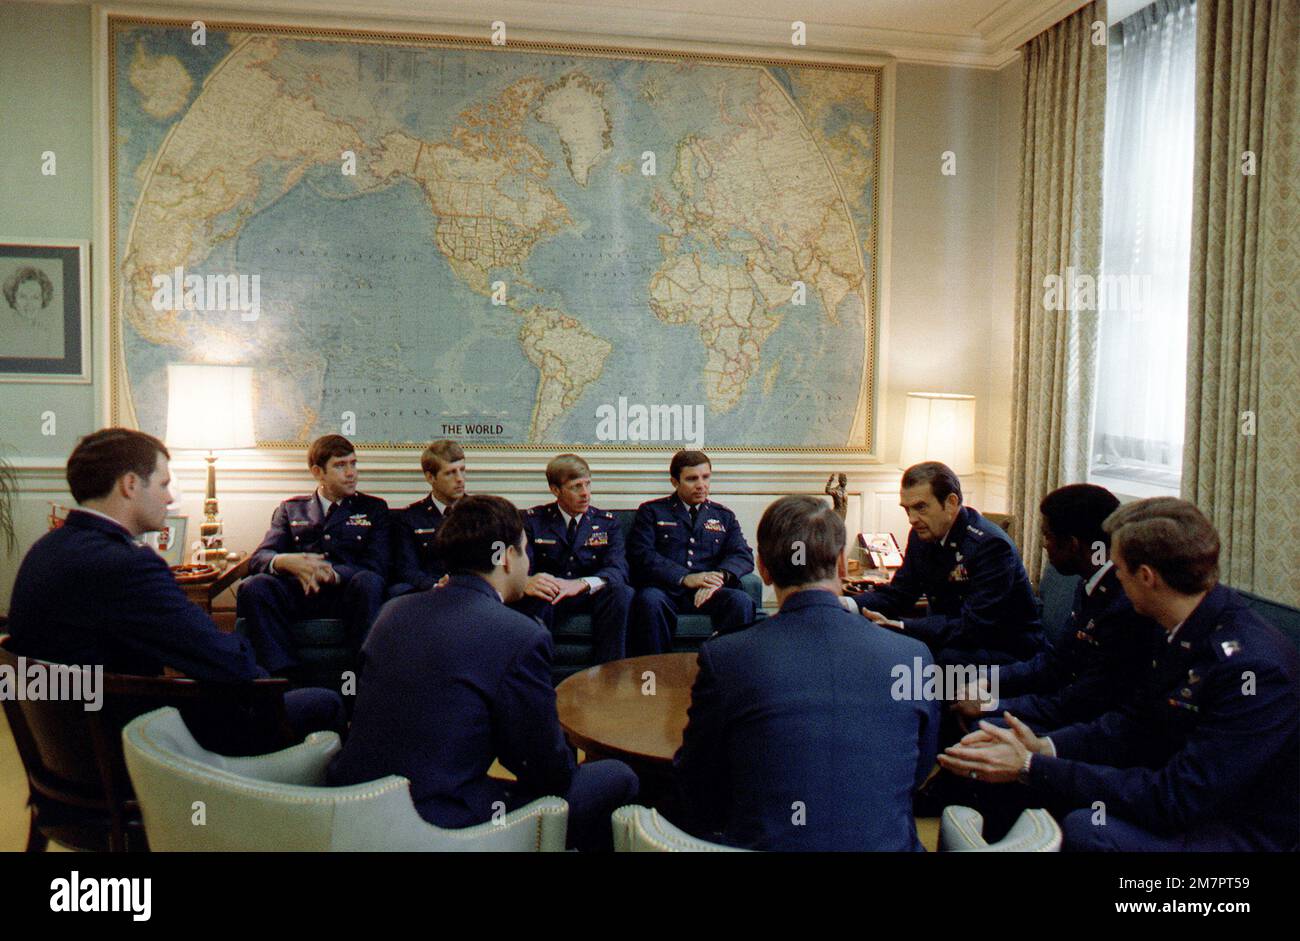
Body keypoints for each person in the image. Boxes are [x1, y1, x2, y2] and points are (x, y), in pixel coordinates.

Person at [939, 498, 1300, 852]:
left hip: (1238, 826)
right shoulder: (1180, 623)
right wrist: (1045, 748)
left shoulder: (1252, 669)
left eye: (1120, 569)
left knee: (1087, 827)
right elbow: (1131, 723)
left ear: (1146, 577)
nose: (1115, 578)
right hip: (1174, 787)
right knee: (1021, 772)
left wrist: (1033, 767)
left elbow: (1178, 798)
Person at [328, 495, 639, 851]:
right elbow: (547, 772)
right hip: (437, 824)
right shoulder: (520, 633)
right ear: (505, 557)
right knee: (617, 776)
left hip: (354, 807)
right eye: (525, 550)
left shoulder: (391, 611)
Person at [5, 428, 343, 743]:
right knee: (324, 703)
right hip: (137, 744)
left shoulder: (46, 549)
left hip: (72, 748)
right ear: (130, 485)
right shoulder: (128, 565)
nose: (169, 499)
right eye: (164, 484)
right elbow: (228, 665)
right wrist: (260, 671)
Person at [674, 495, 939, 850]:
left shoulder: (727, 658)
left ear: (762, 569)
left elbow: (698, 782)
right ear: (843, 565)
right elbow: (917, 772)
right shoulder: (913, 656)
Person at [951, 483, 1159, 731]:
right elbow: (1056, 662)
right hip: (1070, 703)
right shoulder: (1091, 583)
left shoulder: (1124, 606)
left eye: (1047, 536)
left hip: (1097, 726)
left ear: (1072, 544)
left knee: (983, 727)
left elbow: (1084, 701)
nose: (1043, 545)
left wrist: (991, 705)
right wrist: (988, 680)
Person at [847, 461, 1043, 665]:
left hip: (1007, 650)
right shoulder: (922, 535)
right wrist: (846, 604)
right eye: (907, 510)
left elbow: (974, 627)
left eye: (920, 507)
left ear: (950, 503)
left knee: (925, 661)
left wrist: (902, 626)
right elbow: (900, 594)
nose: (912, 519)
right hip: (959, 641)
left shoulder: (991, 546)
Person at [236, 435, 389, 676]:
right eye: (340, 466)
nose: (351, 473)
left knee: (370, 581)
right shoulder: (291, 508)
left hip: (347, 595)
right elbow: (260, 557)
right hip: (300, 594)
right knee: (254, 587)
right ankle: (282, 679)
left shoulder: (373, 509)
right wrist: (285, 562)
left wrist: (333, 574)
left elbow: (377, 564)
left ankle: (365, 677)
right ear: (318, 472)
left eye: (353, 463)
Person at [627, 450, 756, 654]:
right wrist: (685, 578)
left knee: (740, 601)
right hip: (665, 590)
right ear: (674, 481)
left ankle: (730, 674)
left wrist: (719, 578)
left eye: (706, 477)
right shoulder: (652, 511)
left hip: (708, 591)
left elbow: (742, 554)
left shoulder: (723, 515)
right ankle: (655, 675)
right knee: (649, 601)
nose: (701, 485)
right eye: (692, 479)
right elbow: (642, 555)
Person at [512, 454, 632, 663]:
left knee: (621, 591)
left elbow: (618, 568)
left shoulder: (607, 523)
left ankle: (610, 675)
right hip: (551, 592)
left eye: (588, 484)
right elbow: (520, 565)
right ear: (555, 490)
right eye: (576, 487)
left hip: (590, 593)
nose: (585, 493)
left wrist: (582, 584)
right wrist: (528, 581)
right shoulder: (533, 521)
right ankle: (534, 675)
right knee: (537, 594)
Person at [389, 438, 465, 598]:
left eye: (462, 470)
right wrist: (435, 585)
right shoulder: (410, 518)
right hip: (429, 592)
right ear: (430, 477)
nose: (460, 479)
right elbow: (407, 569)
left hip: (471, 591)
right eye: (450, 472)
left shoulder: (482, 512)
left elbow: (497, 555)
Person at [1, 265, 62, 359]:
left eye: (35, 297)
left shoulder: (46, 336)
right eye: (23, 296)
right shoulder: (4, 335)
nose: (29, 304)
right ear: (13, 298)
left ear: (43, 299)